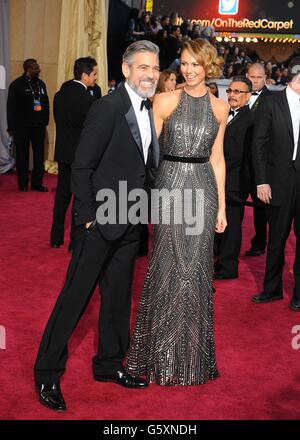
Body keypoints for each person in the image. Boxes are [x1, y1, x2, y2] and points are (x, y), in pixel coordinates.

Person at [34, 40, 161, 411]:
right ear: (125, 70)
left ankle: (108, 364)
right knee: (74, 299)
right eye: (143, 68)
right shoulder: (107, 107)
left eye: (155, 68)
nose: (150, 75)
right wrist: (88, 217)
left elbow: (142, 165)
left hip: (130, 221)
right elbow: (82, 165)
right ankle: (46, 373)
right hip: (99, 222)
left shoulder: (147, 107)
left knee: (118, 300)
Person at [126, 38, 227, 386]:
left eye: (196, 64)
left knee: (196, 269)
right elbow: (147, 154)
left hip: (203, 188)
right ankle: (159, 356)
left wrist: (223, 205)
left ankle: (193, 360)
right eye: (184, 63)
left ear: (208, 65)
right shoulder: (165, 101)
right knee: (167, 265)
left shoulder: (220, 108)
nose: (189, 69)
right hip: (170, 184)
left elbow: (217, 158)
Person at [251, 58, 300, 312]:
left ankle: (299, 294)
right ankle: (272, 289)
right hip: (277, 182)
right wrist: (262, 181)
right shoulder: (271, 102)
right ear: (297, 79)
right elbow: (258, 144)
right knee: (277, 239)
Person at [50, 57, 98, 249]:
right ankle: (74, 242)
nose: (96, 78)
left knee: (62, 196)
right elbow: (91, 131)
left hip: (62, 153)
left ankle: (55, 238)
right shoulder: (88, 100)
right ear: (85, 75)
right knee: (79, 198)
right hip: (81, 157)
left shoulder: (59, 95)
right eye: (94, 74)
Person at [214, 76, 253, 280]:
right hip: (222, 178)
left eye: (238, 92)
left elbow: (238, 154)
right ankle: (220, 262)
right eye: (230, 91)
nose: (232, 95)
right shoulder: (224, 113)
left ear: (248, 96)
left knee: (232, 226)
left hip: (235, 181)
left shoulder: (250, 120)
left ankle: (229, 267)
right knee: (220, 222)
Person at [7, 59, 49, 192]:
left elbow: (46, 104)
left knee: (39, 156)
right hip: (22, 127)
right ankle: (23, 183)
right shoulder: (16, 85)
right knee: (22, 156)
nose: (38, 70)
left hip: (38, 127)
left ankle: (37, 183)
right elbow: (11, 108)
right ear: (28, 69)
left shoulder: (41, 84)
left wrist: (45, 121)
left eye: (38, 67)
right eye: (35, 68)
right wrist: (12, 127)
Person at [245, 63, 271, 256]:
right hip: (239, 162)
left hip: (260, 163)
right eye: (252, 77)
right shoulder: (238, 94)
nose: (255, 81)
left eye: (259, 77)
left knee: (261, 208)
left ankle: (260, 243)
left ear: (265, 78)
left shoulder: (272, 100)